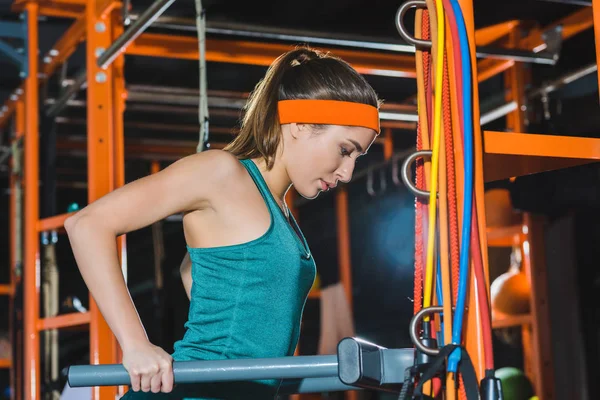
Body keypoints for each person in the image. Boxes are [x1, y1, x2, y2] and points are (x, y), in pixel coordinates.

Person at [64, 46, 382, 399]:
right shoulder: (221, 173)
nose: (348, 172)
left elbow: (195, 269)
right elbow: (87, 225)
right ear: (301, 125)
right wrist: (136, 344)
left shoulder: (280, 211)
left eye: (357, 157)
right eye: (345, 150)